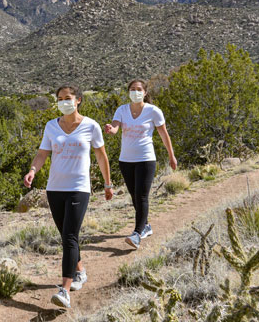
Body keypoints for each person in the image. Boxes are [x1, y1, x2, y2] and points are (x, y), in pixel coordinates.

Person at [23, 84, 113, 309]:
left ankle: (64, 290)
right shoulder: (51, 127)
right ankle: (80, 271)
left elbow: (102, 157)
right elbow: (42, 153)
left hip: (79, 188)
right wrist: (33, 170)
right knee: (66, 236)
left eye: (68, 98)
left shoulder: (91, 126)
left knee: (70, 236)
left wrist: (108, 184)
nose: (64, 101)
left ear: (78, 100)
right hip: (55, 189)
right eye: (60, 98)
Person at [104, 79, 177, 250]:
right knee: (135, 196)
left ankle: (137, 234)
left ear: (145, 93)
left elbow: (164, 135)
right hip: (126, 160)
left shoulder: (153, 111)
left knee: (142, 195)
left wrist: (171, 156)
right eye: (132, 89)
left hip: (146, 159)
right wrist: (110, 129)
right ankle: (146, 226)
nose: (135, 92)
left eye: (138, 89)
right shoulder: (122, 110)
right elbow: (115, 128)